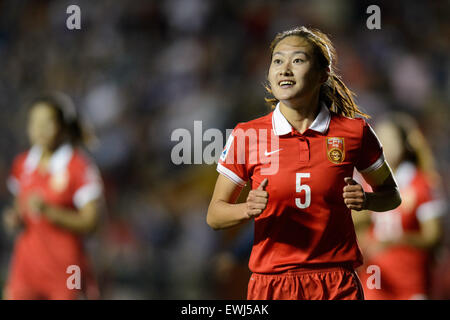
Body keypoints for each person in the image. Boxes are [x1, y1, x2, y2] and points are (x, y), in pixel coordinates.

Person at [206, 26, 402, 300]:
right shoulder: (247, 135)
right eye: (277, 61)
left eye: (297, 60)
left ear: (323, 74)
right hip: (272, 285)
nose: (284, 69)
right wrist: (246, 209)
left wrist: (367, 201)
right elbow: (214, 215)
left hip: (336, 284)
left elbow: (392, 195)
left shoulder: (355, 132)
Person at [2, 92, 103, 300]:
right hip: (26, 267)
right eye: (34, 123)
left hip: (67, 270)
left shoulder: (78, 166)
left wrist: (49, 211)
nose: (39, 129)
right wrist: (14, 218)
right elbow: (20, 209)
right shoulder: (22, 164)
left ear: (62, 127)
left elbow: (91, 222)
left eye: (46, 123)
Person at [354, 113, 446, 300]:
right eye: (379, 138)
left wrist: (393, 242)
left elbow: (433, 236)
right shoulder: (364, 182)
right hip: (376, 278)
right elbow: (358, 227)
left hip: (410, 279)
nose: (384, 145)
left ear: (404, 146)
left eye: (389, 139)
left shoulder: (422, 184)